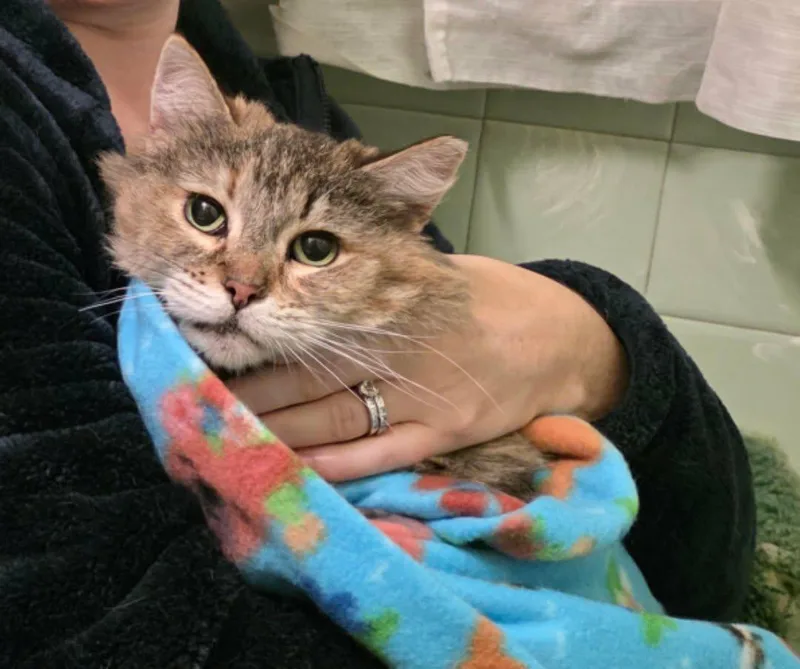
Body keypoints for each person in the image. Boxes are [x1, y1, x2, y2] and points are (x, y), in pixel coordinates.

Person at [0, 0, 754, 667]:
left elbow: (707, 565)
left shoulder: (276, 97)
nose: (242, 282)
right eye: (207, 216)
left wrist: (590, 340)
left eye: (312, 247)